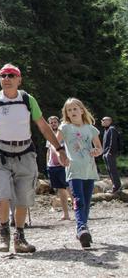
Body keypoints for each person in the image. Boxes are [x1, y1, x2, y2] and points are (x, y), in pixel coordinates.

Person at [0, 63, 68, 254]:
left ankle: (19, 237)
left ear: (19, 79)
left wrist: (58, 148)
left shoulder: (27, 99)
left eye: (11, 75)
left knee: (23, 199)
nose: (6, 79)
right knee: (2, 196)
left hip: (25, 153)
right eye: (3, 75)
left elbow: (43, 126)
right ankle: (3, 233)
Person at [57, 98, 103, 248]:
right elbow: (54, 144)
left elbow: (99, 147)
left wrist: (97, 151)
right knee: (78, 199)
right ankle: (81, 228)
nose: (72, 112)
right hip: (73, 169)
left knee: (87, 200)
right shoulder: (64, 128)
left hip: (89, 169)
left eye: (75, 109)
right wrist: (60, 155)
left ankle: (84, 228)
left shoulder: (90, 128)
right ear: (66, 114)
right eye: (69, 110)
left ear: (82, 110)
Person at [46, 116, 71, 221]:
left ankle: (79, 210)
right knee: (61, 190)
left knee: (70, 188)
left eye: (55, 122)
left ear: (58, 123)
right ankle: (66, 214)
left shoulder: (64, 134)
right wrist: (47, 163)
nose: (53, 124)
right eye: (51, 122)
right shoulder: (49, 136)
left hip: (63, 165)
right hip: (52, 166)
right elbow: (48, 151)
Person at [101, 116, 122, 193]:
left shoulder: (112, 129)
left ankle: (117, 187)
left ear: (109, 121)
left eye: (103, 120)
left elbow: (113, 142)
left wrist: (109, 152)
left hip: (110, 154)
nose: (101, 121)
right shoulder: (107, 130)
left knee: (113, 170)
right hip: (106, 153)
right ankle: (115, 187)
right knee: (109, 170)